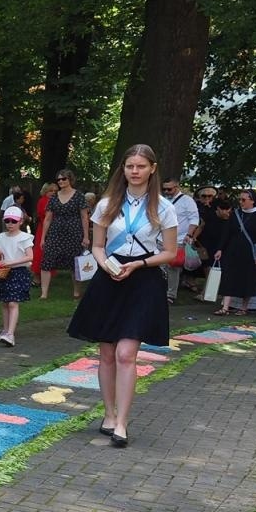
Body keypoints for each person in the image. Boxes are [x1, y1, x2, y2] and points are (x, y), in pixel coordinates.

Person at [67, 145, 179, 447]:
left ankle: (123, 423)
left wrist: (139, 264)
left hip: (143, 281)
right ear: (124, 169)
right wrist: (108, 267)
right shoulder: (106, 204)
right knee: (105, 353)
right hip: (110, 278)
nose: (135, 171)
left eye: (141, 166)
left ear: (152, 169)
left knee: (126, 354)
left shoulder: (164, 208)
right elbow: (98, 246)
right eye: (130, 166)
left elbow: (170, 252)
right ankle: (108, 413)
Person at [211, 189, 256, 315]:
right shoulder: (235, 213)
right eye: (240, 200)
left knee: (247, 278)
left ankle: (243, 307)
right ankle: (225, 307)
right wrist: (220, 248)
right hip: (233, 249)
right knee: (228, 276)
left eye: (244, 200)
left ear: (252, 201)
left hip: (250, 250)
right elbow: (226, 233)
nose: (241, 202)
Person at [39, 169, 90, 299]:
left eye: (64, 179)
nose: (61, 181)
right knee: (47, 260)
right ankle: (44, 294)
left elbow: (84, 217)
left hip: (74, 232)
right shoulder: (54, 197)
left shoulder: (79, 196)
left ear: (70, 179)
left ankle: (76, 292)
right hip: (55, 232)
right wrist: (43, 238)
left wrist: (86, 236)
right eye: (59, 179)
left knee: (75, 263)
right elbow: (48, 218)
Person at [0, 206, 34, 345]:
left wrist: (12, 261)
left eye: (13, 221)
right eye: (7, 221)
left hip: (18, 272)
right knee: (5, 302)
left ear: (20, 222)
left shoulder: (24, 238)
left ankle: (10, 333)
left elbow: (30, 257)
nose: (10, 224)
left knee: (13, 303)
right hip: (4, 273)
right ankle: (5, 330)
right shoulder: (1, 238)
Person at [161, 177, 199, 302]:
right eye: (164, 189)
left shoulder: (187, 201)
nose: (166, 191)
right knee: (160, 266)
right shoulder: (162, 200)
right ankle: (160, 290)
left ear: (177, 187)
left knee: (173, 267)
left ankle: (170, 294)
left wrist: (189, 235)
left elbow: (194, 219)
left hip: (179, 238)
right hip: (160, 238)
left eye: (169, 189)